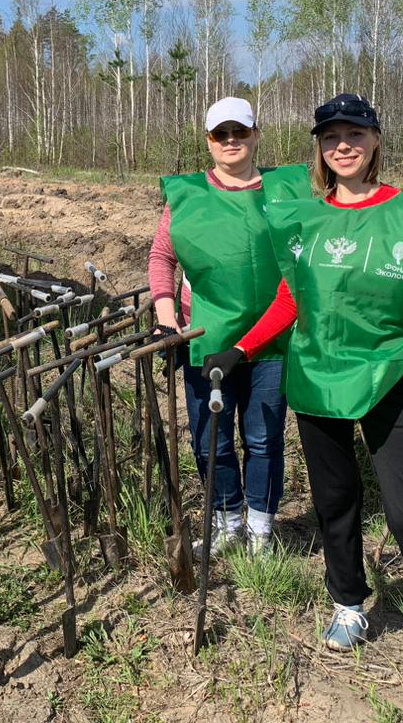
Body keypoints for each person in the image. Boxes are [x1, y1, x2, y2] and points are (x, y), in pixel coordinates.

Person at [203, 93, 403, 698]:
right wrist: (243, 348)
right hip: (317, 377)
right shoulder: (305, 219)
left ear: (374, 141)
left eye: (355, 133)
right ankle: (349, 601)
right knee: (335, 503)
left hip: (390, 378)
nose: (343, 144)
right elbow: (293, 301)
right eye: (331, 135)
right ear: (319, 147)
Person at [150, 96, 310, 555]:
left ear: (257, 134)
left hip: (273, 338)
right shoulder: (187, 196)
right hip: (206, 337)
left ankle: (260, 525)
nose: (232, 141)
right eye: (222, 134)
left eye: (240, 131)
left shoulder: (286, 190)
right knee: (209, 441)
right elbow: (162, 257)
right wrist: (167, 321)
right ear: (209, 142)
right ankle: (226, 520)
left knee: (263, 437)